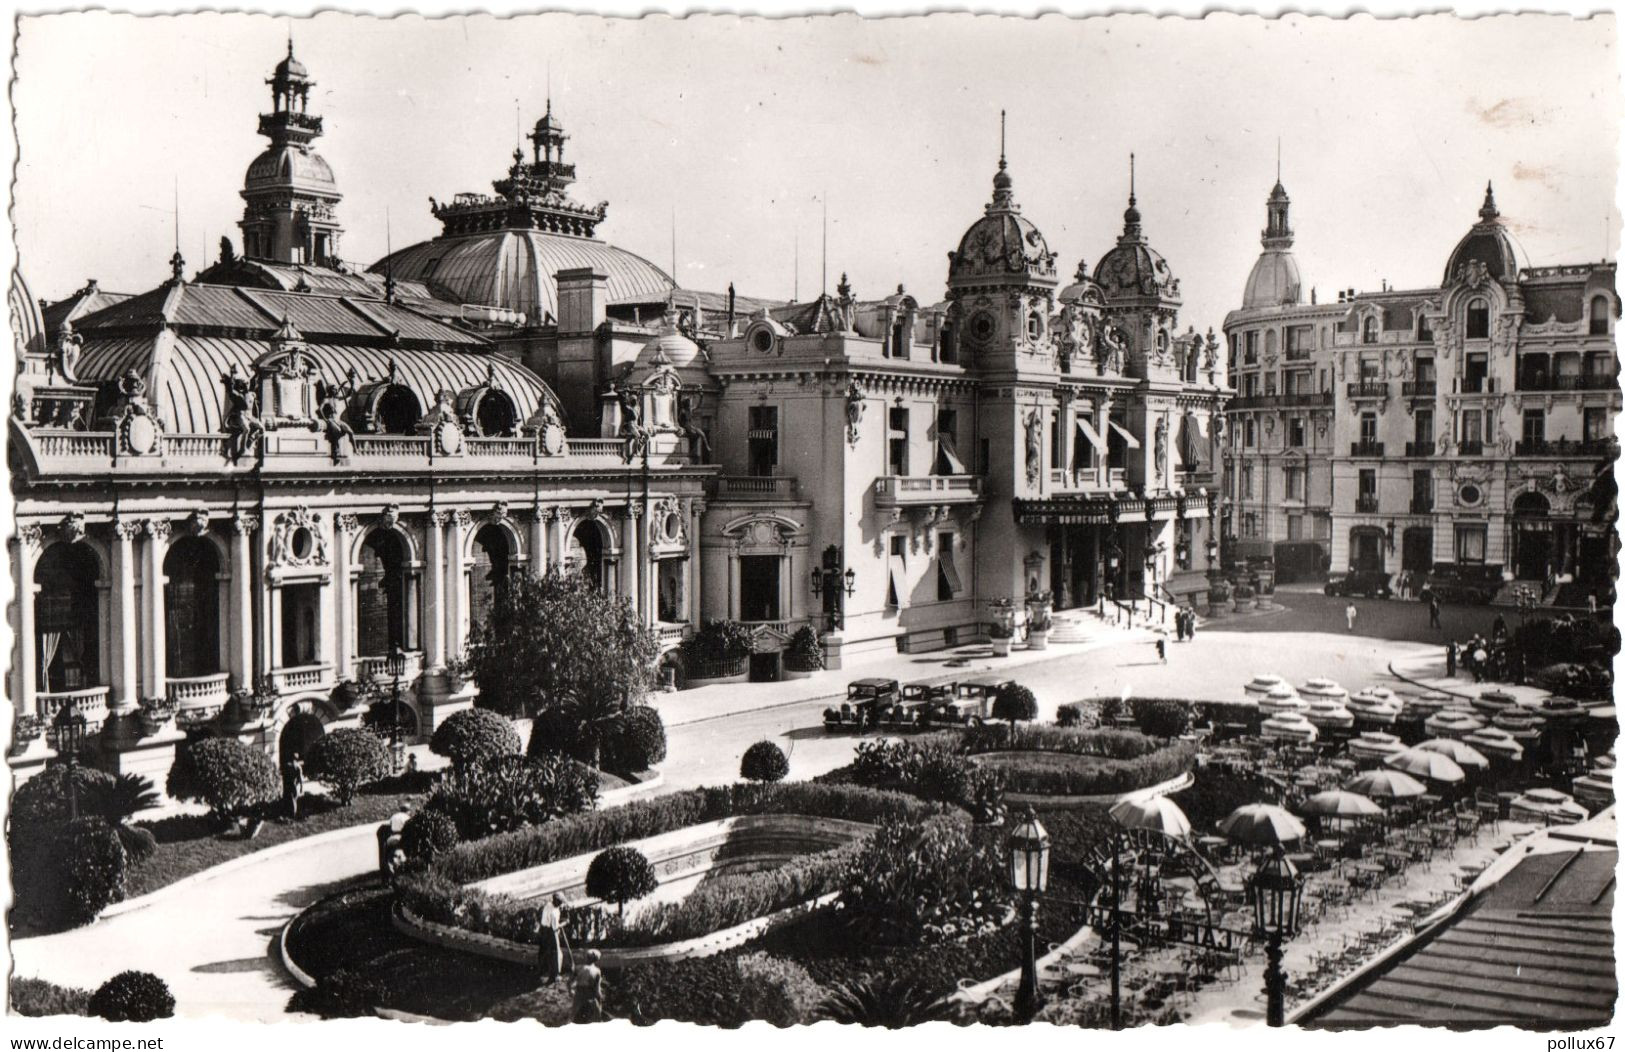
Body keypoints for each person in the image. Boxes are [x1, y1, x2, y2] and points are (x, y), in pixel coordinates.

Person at [537, 893, 565, 982]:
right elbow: (555, 927)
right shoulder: (555, 912)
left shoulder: (548, 905)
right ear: (556, 901)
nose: (560, 904)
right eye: (560, 902)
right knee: (556, 953)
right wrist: (565, 923)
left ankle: (543, 973)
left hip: (543, 931)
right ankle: (556, 975)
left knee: (544, 952)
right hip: (551, 933)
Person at [573, 948, 604, 1023]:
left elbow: (569, 982)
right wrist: (600, 999)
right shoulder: (597, 971)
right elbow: (597, 989)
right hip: (589, 995)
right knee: (592, 1018)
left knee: (576, 1017)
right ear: (596, 960)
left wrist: (570, 991)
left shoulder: (578, 968)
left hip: (579, 994)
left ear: (586, 957)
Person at [281, 754, 305, 821]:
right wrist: (301, 788)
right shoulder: (297, 767)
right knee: (294, 800)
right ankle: (293, 814)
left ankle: (288, 813)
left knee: (288, 799)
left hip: (287, 784)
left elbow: (284, 775)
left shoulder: (287, 765)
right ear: (297, 759)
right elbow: (300, 779)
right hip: (294, 785)